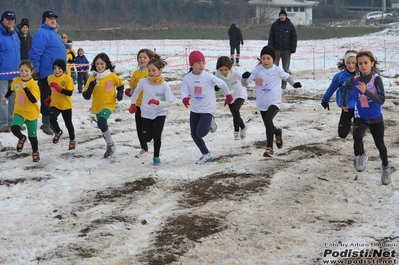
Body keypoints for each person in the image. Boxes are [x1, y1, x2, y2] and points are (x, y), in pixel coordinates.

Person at [241, 46, 301, 157]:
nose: (266, 61)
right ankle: (277, 132)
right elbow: (244, 84)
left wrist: (294, 84)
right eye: (263, 58)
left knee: (268, 120)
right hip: (262, 103)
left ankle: (269, 148)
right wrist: (244, 78)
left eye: (268, 58)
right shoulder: (257, 70)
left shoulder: (277, 69)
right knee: (268, 125)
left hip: (274, 102)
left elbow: (287, 77)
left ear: (273, 59)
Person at [342, 51, 390, 185]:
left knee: (380, 145)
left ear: (372, 63)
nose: (363, 66)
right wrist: (345, 103)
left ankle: (385, 168)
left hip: (375, 117)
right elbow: (347, 87)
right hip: (361, 116)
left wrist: (366, 92)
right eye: (360, 63)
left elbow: (381, 100)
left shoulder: (376, 79)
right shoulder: (355, 79)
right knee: (357, 137)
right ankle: (362, 155)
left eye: (366, 63)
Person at [181, 50, 233, 164]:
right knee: (194, 135)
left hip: (207, 109)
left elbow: (222, 84)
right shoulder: (187, 78)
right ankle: (206, 154)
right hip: (195, 109)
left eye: (203, 63)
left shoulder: (209, 76)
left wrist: (228, 95)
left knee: (200, 133)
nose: (201, 65)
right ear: (191, 64)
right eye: (198, 63)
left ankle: (211, 122)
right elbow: (184, 91)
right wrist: (184, 98)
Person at [128, 54, 175, 166]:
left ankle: (156, 157)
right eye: (149, 70)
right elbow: (136, 92)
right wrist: (133, 104)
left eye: (153, 70)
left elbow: (170, 101)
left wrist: (158, 102)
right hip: (146, 113)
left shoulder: (164, 85)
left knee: (157, 135)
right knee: (147, 137)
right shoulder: (144, 82)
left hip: (160, 112)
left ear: (160, 70)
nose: (150, 73)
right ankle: (148, 140)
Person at [29, 10, 66, 135]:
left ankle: (52, 121)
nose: (53, 20)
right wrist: (36, 70)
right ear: (44, 19)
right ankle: (46, 124)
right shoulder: (41, 33)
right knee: (47, 98)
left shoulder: (53, 32)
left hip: (56, 73)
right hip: (46, 73)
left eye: (54, 18)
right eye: (50, 18)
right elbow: (35, 53)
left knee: (55, 99)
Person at [82, 52, 124, 158]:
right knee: (102, 126)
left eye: (102, 63)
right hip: (97, 106)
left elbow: (120, 85)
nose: (99, 66)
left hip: (109, 104)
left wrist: (119, 93)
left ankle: (110, 145)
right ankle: (110, 144)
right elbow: (86, 96)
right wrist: (91, 88)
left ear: (106, 64)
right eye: (97, 64)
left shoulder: (112, 76)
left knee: (101, 121)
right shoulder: (92, 78)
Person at [0, 60, 40, 162]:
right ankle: (22, 138)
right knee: (14, 128)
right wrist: (5, 97)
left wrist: (26, 89)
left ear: (31, 72)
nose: (23, 73)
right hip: (19, 111)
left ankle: (35, 152)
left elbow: (33, 100)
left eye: (26, 71)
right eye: (21, 70)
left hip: (31, 113)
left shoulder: (33, 85)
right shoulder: (16, 81)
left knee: (33, 137)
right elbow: (11, 89)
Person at [124, 48, 155, 158]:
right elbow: (133, 88)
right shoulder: (136, 73)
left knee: (147, 127)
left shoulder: (151, 72)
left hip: (149, 105)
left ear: (150, 59)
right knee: (139, 127)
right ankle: (144, 147)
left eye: (144, 57)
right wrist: (129, 91)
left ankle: (150, 137)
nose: (142, 59)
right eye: (140, 57)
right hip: (138, 104)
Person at [322, 50, 358, 141]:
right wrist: (325, 100)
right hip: (346, 107)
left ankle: (358, 153)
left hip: (360, 108)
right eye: (348, 63)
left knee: (358, 135)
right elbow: (331, 89)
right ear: (345, 63)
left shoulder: (363, 75)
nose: (351, 65)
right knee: (342, 134)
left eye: (354, 62)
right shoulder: (340, 76)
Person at [214, 56, 248, 140]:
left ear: (230, 67)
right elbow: (216, 86)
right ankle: (243, 127)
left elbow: (247, 77)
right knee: (235, 114)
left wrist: (248, 76)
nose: (224, 72)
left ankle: (236, 131)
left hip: (240, 93)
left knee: (236, 110)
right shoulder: (217, 75)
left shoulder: (237, 72)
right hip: (229, 96)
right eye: (221, 70)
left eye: (226, 70)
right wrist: (217, 88)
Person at [45, 59, 75, 150]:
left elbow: (70, 93)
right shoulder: (50, 78)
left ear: (63, 69)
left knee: (68, 124)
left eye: (59, 68)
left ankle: (72, 140)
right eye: (55, 68)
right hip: (55, 104)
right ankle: (58, 132)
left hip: (66, 105)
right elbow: (51, 89)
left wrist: (60, 89)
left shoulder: (67, 78)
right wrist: (49, 97)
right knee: (52, 118)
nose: (57, 70)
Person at [0, 10, 20, 133]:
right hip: (2, 74)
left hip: (15, 74)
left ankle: (12, 122)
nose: (10, 21)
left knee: (14, 98)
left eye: (12, 20)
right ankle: (2, 123)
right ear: (2, 20)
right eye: (8, 19)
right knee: (3, 99)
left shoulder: (15, 34)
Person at [268, 9, 297, 90]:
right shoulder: (274, 25)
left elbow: (294, 37)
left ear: (286, 16)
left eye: (283, 15)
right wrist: (269, 48)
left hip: (286, 50)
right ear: (279, 16)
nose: (282, 16)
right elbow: (271, 37)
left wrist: (293, 48)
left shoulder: (290, 25)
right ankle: (274, 84)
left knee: (285, 69)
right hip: (276, 50)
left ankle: (284, 85)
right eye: (281, 15)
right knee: (274, 68)